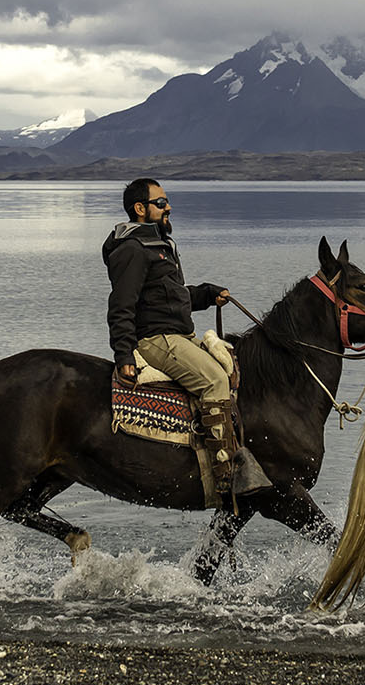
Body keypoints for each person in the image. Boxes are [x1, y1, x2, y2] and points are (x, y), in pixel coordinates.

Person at [105, 178, 269, 497]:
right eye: (161, 203)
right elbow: (121, 305)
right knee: (214, 381)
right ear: (140, 209)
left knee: (232, 368)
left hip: (177, 335)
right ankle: (225, 475)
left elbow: (170, 296)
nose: (168, 207)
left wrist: (207, 294)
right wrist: (123, 355)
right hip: (156, 340)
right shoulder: (133, 249)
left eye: (167, 201)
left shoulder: (159, 245)